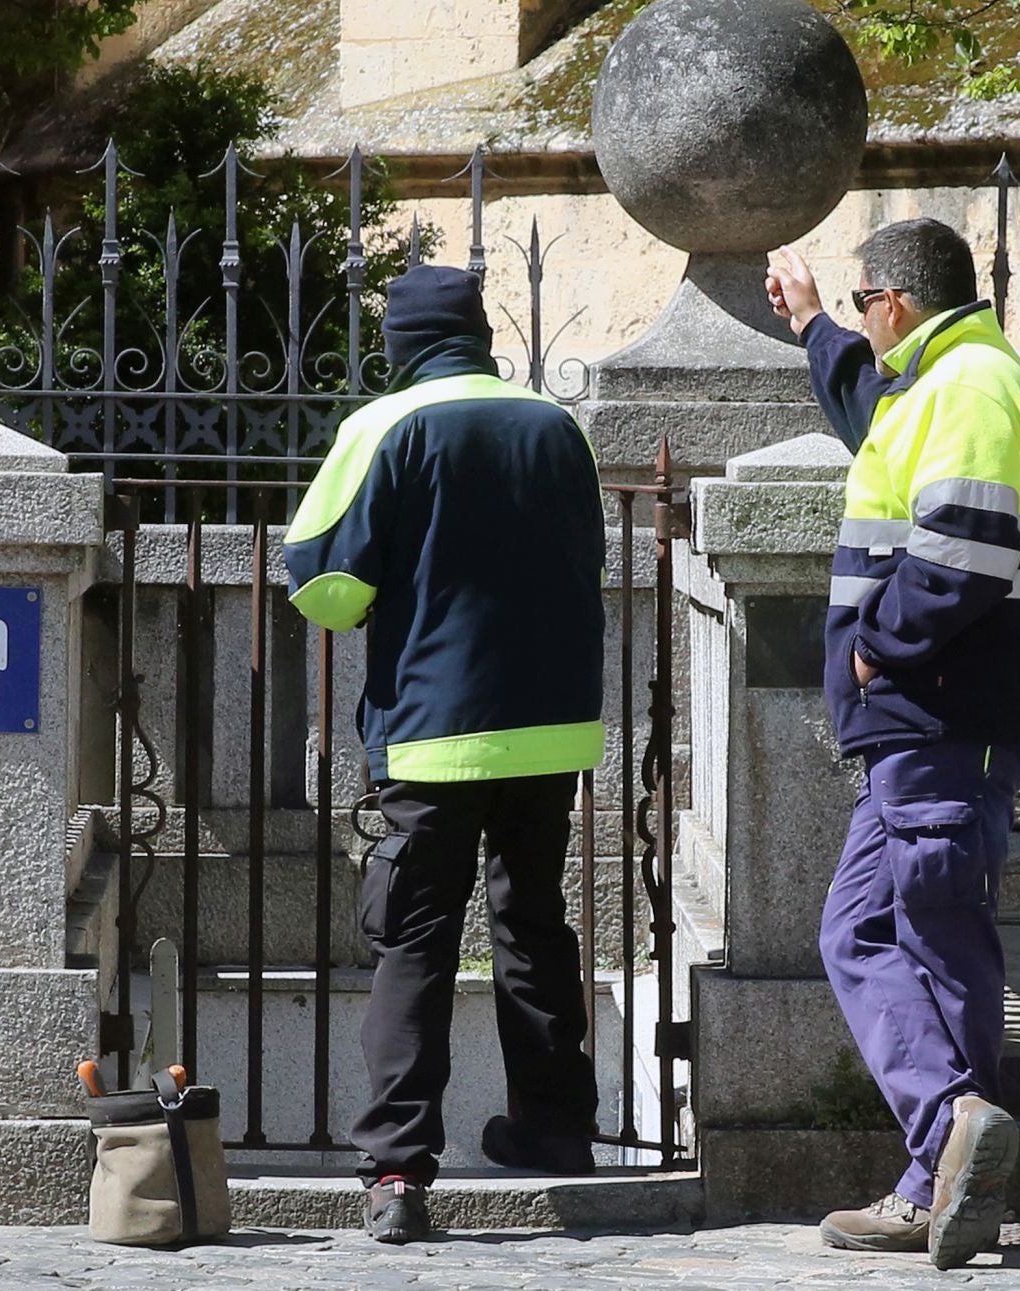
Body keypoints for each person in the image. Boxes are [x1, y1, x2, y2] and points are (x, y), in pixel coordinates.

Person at [283, 264, 605, 1245]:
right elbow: (588, 556)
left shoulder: (385, 426)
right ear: (479, 333)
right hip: (552, 724)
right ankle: (555, 1126)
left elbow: (321, 582)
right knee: (534, 919)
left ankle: (396, 1169)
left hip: (433, 726)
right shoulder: (557, 426)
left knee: (415, 937)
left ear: (402, 341)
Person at [764, 219, 1020, 1270]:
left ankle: (945, 1140)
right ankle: (939, 1161)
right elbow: (872, 414)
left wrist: (877, 649)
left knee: (931, 938)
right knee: (872, 931)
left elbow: (964, 551)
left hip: (940, 711)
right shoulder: (937, 381)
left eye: (854, 304)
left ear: (891, 302)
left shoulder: (970, 384)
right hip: (932, 721)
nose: (857, 322)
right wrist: (808, 326)